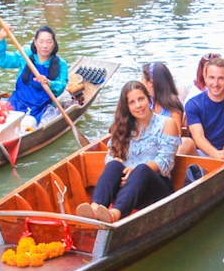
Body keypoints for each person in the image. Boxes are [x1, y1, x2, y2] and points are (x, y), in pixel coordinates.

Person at [76, 81, 181, 223]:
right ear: (127, 106)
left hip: (155, 189)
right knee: (113, 165)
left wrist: (134, 171)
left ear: (148, 99)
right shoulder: (123, 127)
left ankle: (114, 214)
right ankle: (94, 210)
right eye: (132, 102)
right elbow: (109, 156)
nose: (138, 105)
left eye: (141, 99)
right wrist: (116, 162)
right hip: (126, 190)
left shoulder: (167, 123)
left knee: (141, 169)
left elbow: (166, 162)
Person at [0, 25, 69, 126]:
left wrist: (49, 83)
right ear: (35, 43)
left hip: (41, 108)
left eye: (49, 42)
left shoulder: (61, 64)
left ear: (54, 44)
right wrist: (0, 38)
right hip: (17, 102)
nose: (44, 46)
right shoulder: (25, 55)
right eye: (41, 41)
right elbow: (2, 60)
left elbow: (61, 86)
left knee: (28, 124)